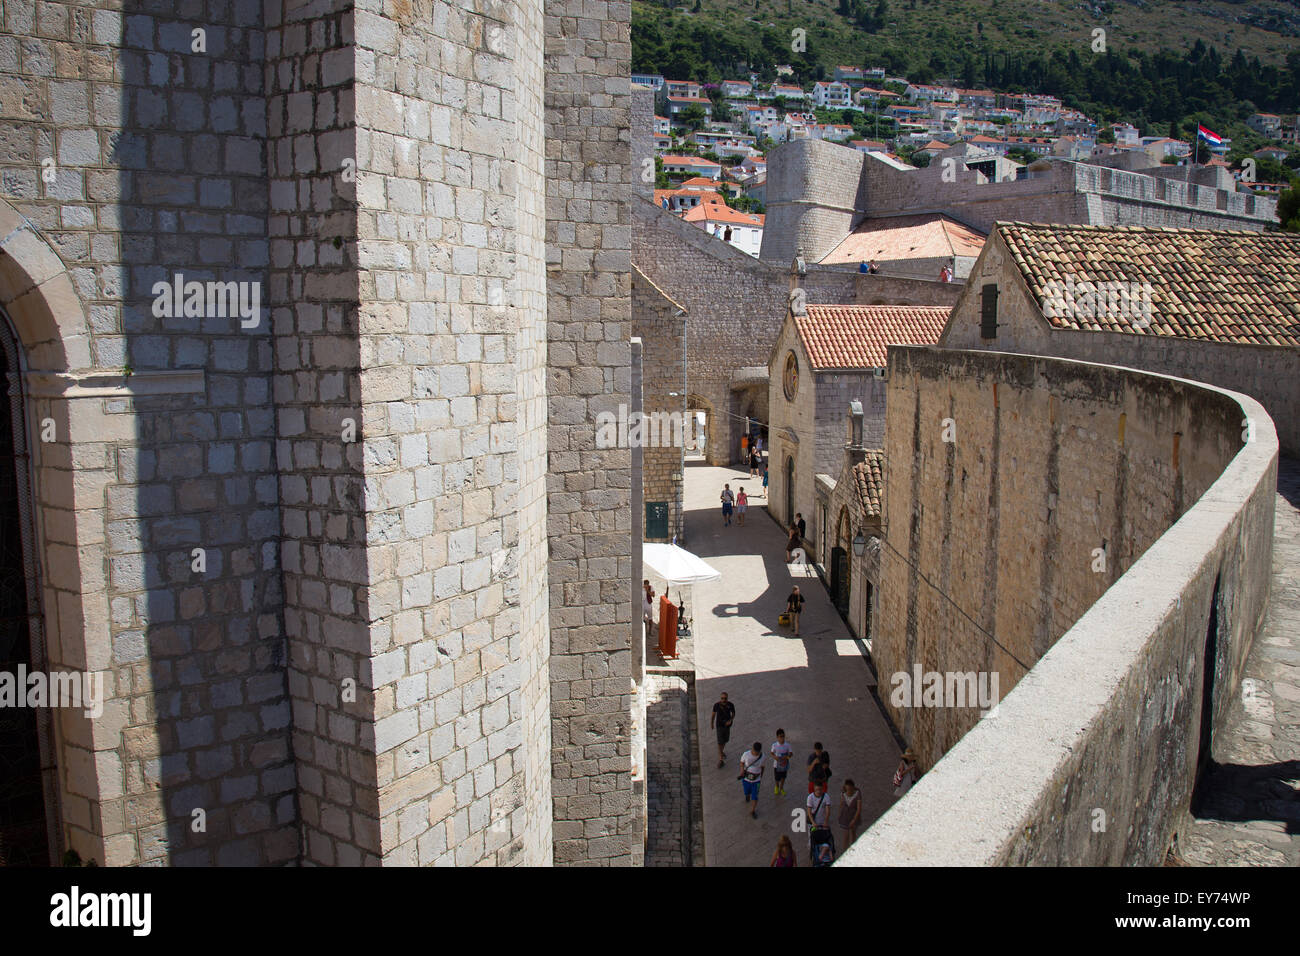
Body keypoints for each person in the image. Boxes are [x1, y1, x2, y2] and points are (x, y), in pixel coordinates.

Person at [806, 782, 834, 864]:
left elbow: (828, 811)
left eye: (820, 790)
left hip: (822, 821)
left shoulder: (826, 797)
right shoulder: (810, 797)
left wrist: (826, 821)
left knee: (824, 837)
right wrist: (813, 822)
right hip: (813, 822)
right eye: (817, 790)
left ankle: (823, 853)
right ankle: (812, 853)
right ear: (814, 789)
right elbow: (809, 812)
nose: (819, 791)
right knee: (811, 838)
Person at [739, 741, 765, 819]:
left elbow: (763, 767)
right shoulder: (746, 754)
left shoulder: (762, 756)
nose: (756, 753)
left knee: (755, 796)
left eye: (757, 752)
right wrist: (741, 770)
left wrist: (761, 776)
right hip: (746, 779)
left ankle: (753, 810)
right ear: (752, 749)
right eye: (755, 752)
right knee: (747, 791)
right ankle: (747, 795)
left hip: (756, 780)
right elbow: (741, 763)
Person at [711, 692, 735, 768]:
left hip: (727, 726)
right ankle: (721, 759)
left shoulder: (730, 705)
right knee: (720, 741)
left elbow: (733, 713)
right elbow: (713, 715)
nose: (723, 700)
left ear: (727, 698)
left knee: (725, 740)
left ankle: (721, 752)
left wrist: (731, 720)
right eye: (722, 698)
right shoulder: (717, 705)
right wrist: (711, 723)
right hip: (719, 726)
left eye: (725, 698)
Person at [770, 729, 793, 796]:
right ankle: (776, 786)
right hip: (776, 765)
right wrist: (775, 757)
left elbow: (791, 753)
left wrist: (787, 757)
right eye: (780, 736)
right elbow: (771, 753)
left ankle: (781, 788)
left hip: (784, 764)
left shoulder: (787, 745)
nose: (782, 738)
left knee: (783, 777)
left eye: (783, 736)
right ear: (777, 737)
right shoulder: (774, 745)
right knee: (777, 777)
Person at [839, 779, 862, 845]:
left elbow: (858, 808)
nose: (848, 791)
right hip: (845, 816)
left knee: (853, 832)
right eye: (847, 789)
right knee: (846, 835)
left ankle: (852, 847)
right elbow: (841, 804)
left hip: (854, 815)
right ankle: (845, 850)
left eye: (850, 789)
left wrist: (854, 820)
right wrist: (840, 814)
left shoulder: (857, 794)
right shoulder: (843, 794)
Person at [642, 580, 655, 644]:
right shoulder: (641, 587)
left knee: (650, 618)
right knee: (642, 618)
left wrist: (647, 590)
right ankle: (643, 631)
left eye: (647, 584)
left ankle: (650, 631)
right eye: (645, 584)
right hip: (642, 604)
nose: (645, 585)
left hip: (648, 604)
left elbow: (653, 595)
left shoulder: (650, 587)